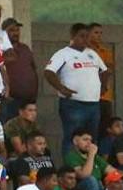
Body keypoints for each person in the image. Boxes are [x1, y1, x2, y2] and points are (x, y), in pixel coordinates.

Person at [44, 23, 107, 156]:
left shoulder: (92, 54)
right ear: (73, 36)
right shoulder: (63, 54)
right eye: (81, 36)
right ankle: (71, 172)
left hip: (94, 104)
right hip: (73, 104)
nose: (85, 39)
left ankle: (90, 169)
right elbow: (49, 72)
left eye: (87, 36)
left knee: (92, 139)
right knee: (72, 138)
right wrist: (61, 88)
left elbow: (105, 70)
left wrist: (103, 86)